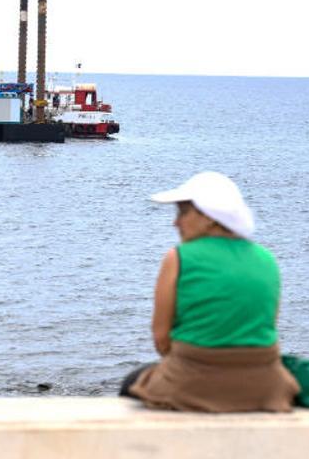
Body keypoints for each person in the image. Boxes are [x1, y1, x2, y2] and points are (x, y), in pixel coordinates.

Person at [120, 171, 299, 412]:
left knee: (131, 383)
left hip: (192, 381)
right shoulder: (267, 259)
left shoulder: (179, 258)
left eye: (183, 212)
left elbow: (161, 337)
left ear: (211, 217)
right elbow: (267, 327)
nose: (176, 222)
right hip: (264, 385)